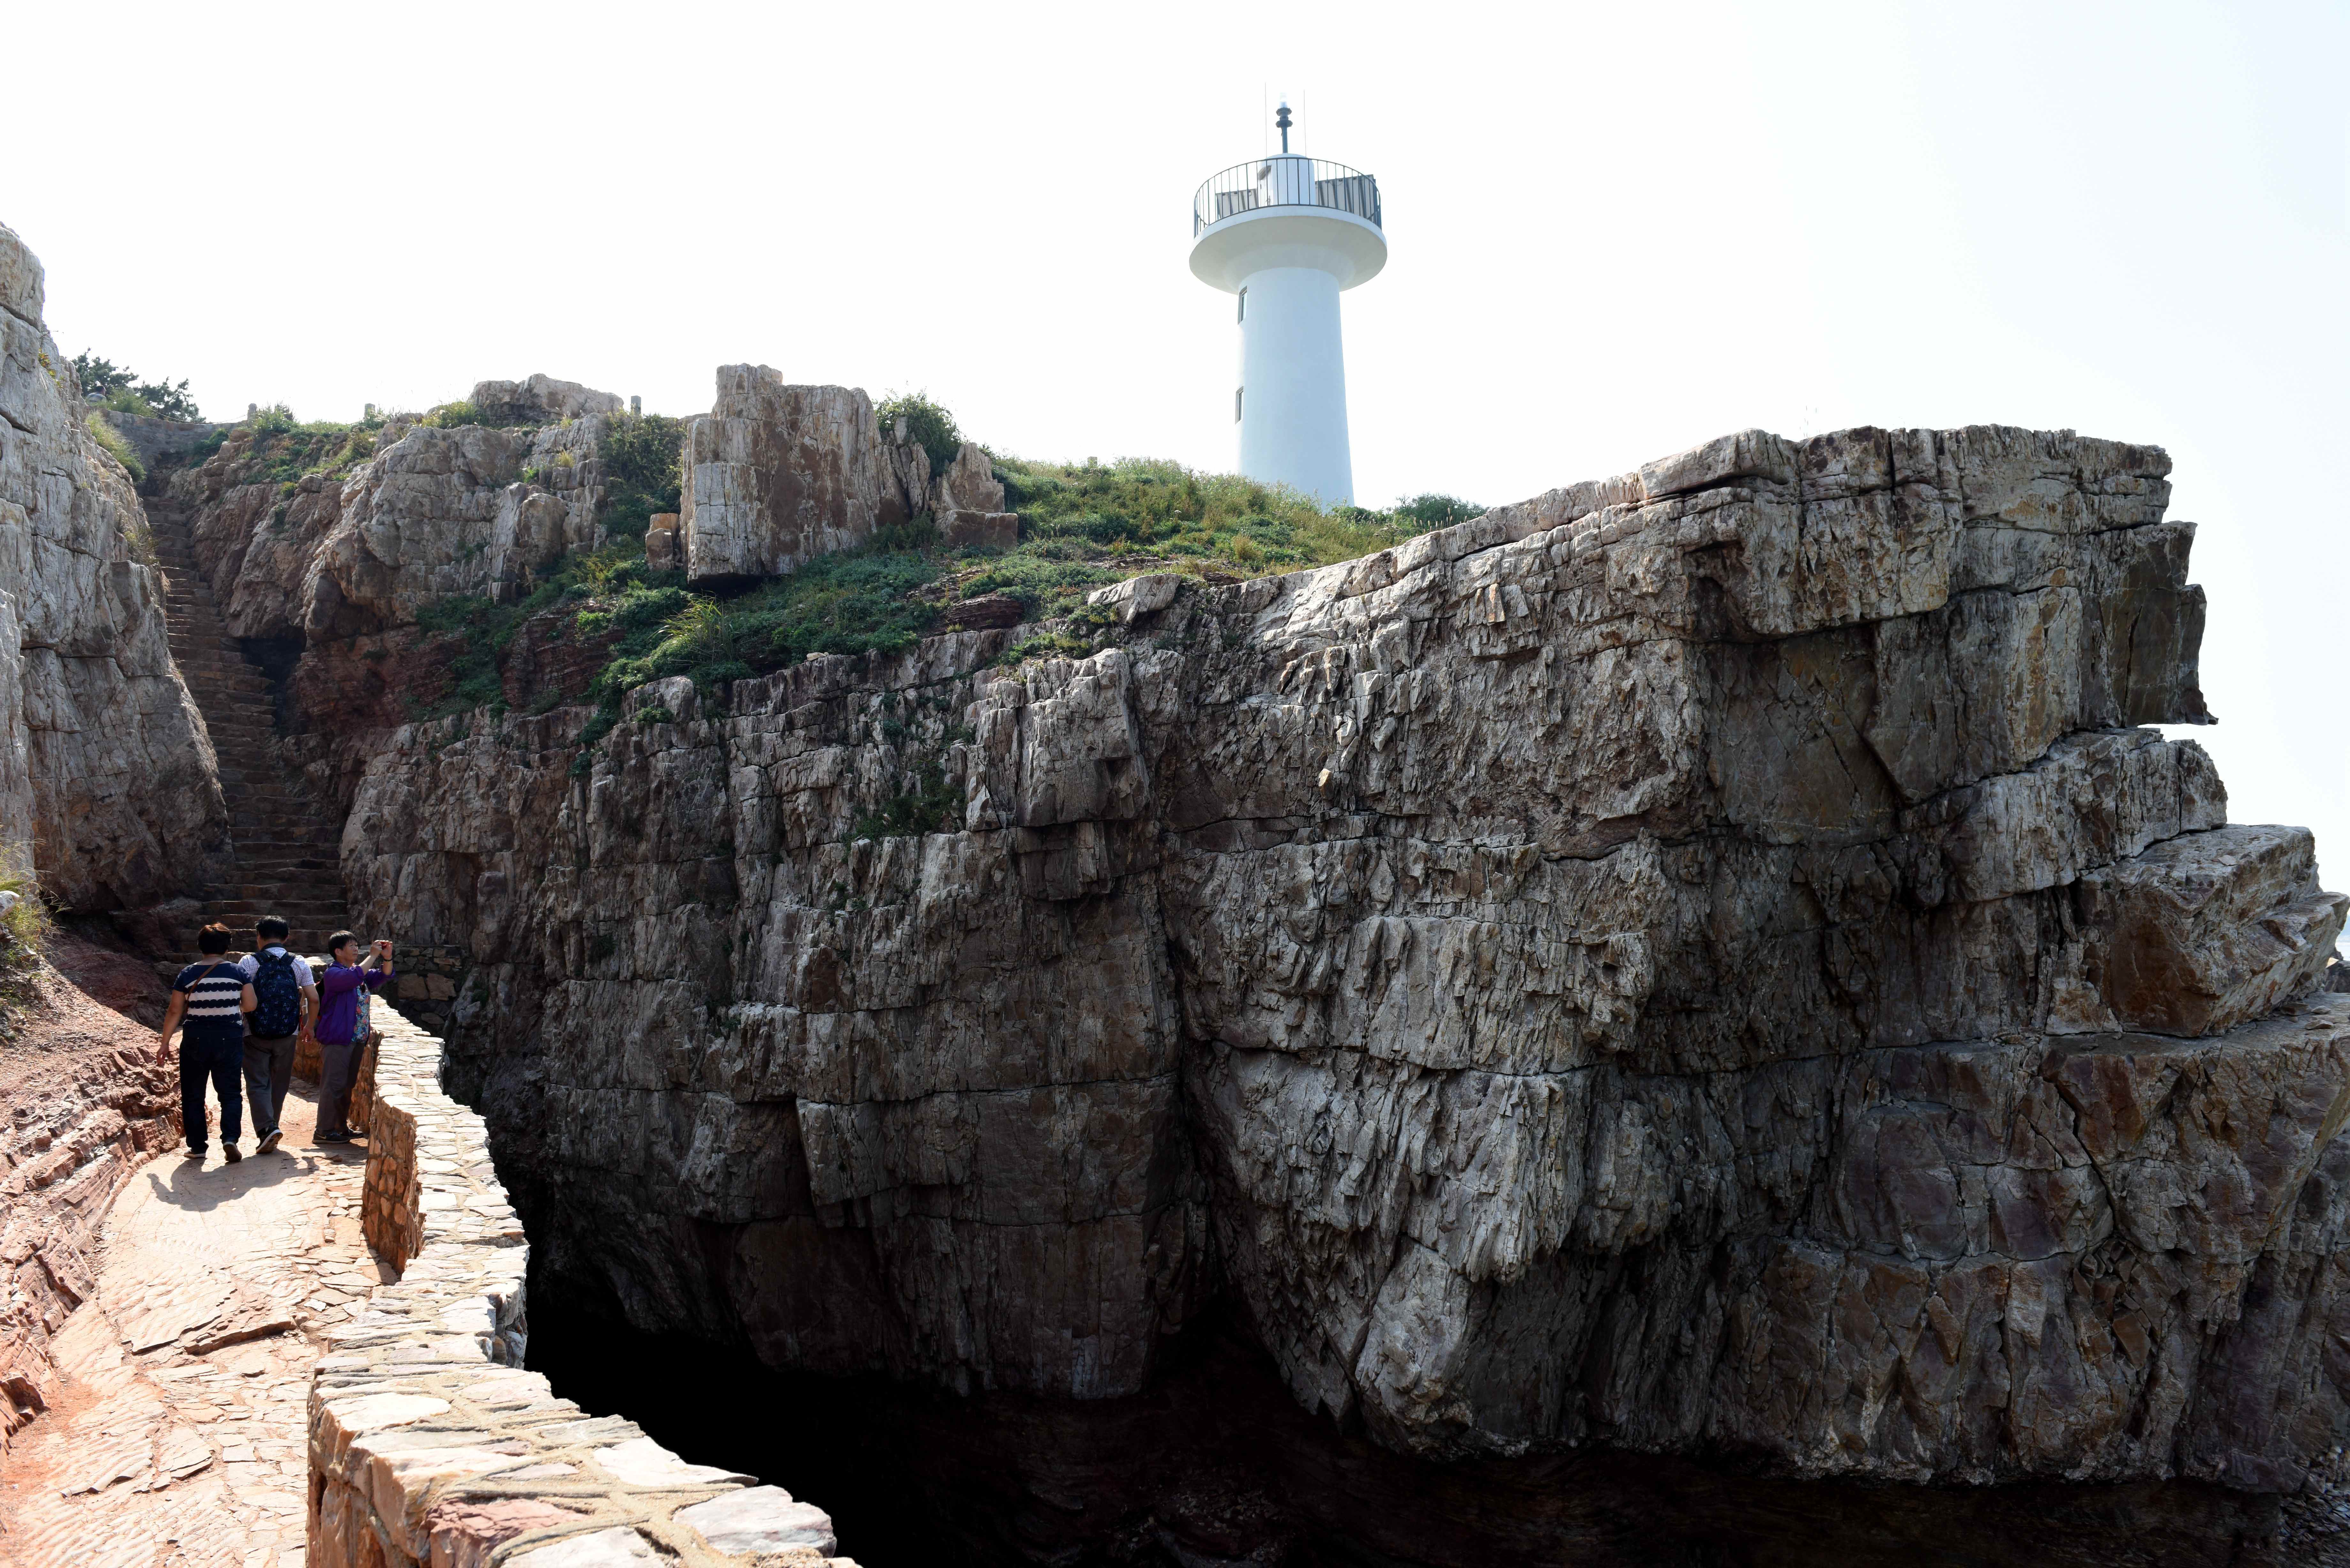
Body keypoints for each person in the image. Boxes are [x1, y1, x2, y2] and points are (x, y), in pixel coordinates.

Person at [158, 923, 256, 1163]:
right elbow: (251, 1005)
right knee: (231, 1093)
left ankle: (198, 1146)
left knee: (193, 1094)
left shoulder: (187, 974)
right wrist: (233, 1008)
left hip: (195, 1038)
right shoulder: (238, 972)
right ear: (227, 947)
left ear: (200, 946)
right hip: (229, 1037)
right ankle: (230, 1138)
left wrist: (165, 1042)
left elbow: (174, 1011)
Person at [236, 915, 316, 1156]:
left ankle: (267, 1129)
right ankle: (273, 1127)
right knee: (280, 1082)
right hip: (288, 1033)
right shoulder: (299, 963)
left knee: (258, 1082)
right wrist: (310, 1026)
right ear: (287, 937)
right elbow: (313, 998)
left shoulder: (249, 962)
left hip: (254, 1032)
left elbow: (240, 998)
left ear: (259, 937)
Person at [314, 933, 393, 1144]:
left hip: (357, 1038)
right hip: (338, 1038)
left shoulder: (358, 973)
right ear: (338, 952)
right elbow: (355, 978)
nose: (356, 948)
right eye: (351, 946)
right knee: (333, 1085)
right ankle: (323, 1131)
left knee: (346, 1085)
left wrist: (387, 958)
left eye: (357, 945)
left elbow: (384, 976)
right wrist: (373, 955)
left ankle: (340, 1128)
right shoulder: (334, 974)